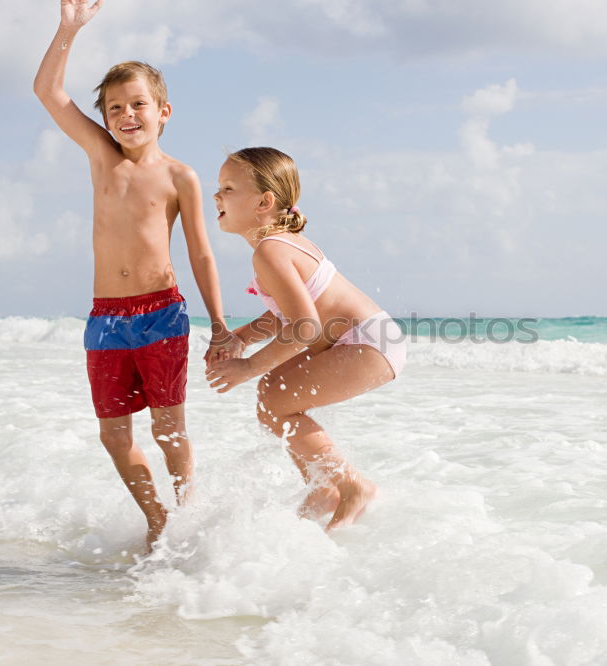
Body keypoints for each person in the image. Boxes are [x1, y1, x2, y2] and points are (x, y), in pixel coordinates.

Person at [33, 0, 234, 549]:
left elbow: (201, 255)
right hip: (106, 319)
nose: (127, 115)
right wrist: (68, 29)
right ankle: (158, 520)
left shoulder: (180, 177)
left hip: (161, 315)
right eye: (115, 107)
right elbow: (48, 93)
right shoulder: (102, 155)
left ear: (164, 110)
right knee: (113, 435)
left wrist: (219, 324)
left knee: (169, 431)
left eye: (138, 103)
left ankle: (188, 512)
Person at [206, 147, 407, 531]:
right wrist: (242, 337)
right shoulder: (280, 244)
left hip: (368, 343)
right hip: (376, 338)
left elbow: (305, 326)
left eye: (228, 188)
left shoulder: (271, 250)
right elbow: (285, 310)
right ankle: (323, 489)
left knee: (273, 399)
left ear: (264, 202)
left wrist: (247, 366)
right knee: (272, 398)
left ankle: (351, 487)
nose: (216, 196)